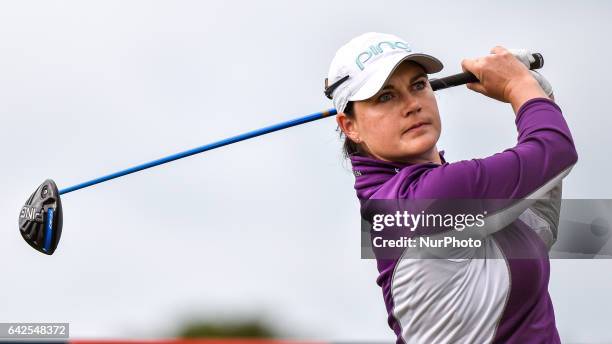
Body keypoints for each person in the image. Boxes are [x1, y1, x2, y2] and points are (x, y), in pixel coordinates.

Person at [325, 32, 578, 343]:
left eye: (418, 85)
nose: (411, 105)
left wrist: (539, 97)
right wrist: (518, 86)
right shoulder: (419, 201)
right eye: (386, 96)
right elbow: (554, 152)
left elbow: (539, 226)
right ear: (350, 126)